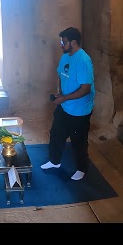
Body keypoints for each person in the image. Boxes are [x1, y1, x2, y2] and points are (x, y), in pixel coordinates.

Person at [40, 27, 95, 181]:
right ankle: (54, 161)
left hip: (80, 111)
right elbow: (60, 76)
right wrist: (59, 93)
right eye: (61, 41)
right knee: (56, 134)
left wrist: (64, 98)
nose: (61, 44)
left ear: (74, 42)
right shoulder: (65, 56)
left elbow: (85, 89)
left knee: (78, 142)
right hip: (64, 106)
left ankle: (82, 169)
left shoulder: (83, 60)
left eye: (63, 42)